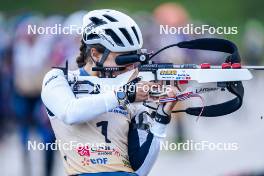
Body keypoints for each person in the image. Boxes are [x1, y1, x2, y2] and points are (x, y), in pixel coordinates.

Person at [41, 9, 178, 176]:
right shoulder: (58, 78)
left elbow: (140, 171)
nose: (130, 68)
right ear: (96, 54)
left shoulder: (131, 91)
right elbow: (70, 113)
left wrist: (162, 118)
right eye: (123, 59)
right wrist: (124, 95)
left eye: (133, 59)